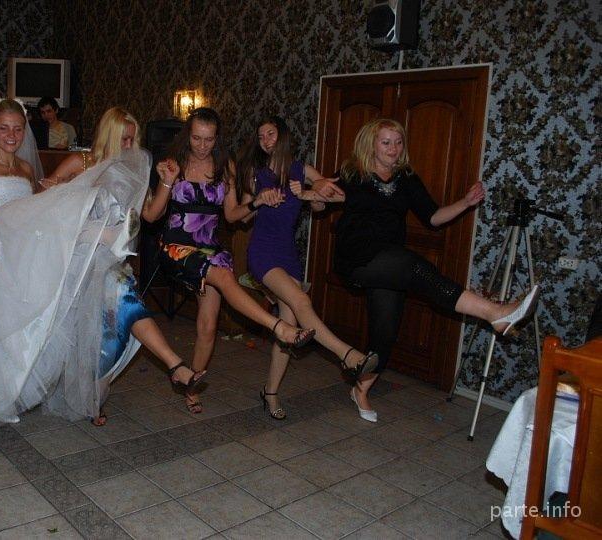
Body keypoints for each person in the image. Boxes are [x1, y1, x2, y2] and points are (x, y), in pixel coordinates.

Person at [0, 105, 203, 441]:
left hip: (60, 256)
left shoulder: (26, 168)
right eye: (4, 128)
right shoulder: (76, 163)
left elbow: (41, 211)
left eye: (18, 128)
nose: (13, 136)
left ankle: (92, 388)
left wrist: (165, 182)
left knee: (88, 324)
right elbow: (44, 207)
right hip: (20, 255)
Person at [327, 118, 539, 422]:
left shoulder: (406, 177)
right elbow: (322, 200)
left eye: (398, 142)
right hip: (357, 258)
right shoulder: (352, 172)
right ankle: (495, 313)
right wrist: (315, 193)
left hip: (389, 264)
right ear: (371, 144)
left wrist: (465, 203)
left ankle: (360, 389)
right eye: (386, 142)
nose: (393, 148)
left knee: (385, 331)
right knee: (416, 268)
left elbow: (433, 217)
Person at [144, 107, 316, 415]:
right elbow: (151, 216)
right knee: (224, 277)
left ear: (217, 138)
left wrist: (257, 201)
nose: (202, 145)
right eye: (196, 138)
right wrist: (167, 182)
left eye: (209, 139)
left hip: (210, 249)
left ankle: (191, 386)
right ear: (187, 135)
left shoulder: (226, 168)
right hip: (177, 248)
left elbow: (233, 216)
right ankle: (279, 327)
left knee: (208, 326)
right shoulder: (173, 163)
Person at [42, 106, 206, 426]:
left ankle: (95, 396)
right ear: (109, 135)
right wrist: (62, 195)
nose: (129, 145)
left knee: (114, 334)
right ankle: (175, 364)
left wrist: (167, 183)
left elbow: (150, 215)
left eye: (133, 139)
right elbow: (47, 199)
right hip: (84, 260)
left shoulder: (134, 168)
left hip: (116, 259)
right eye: (123, 139)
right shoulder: (82, 163)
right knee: (127, 304)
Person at [236, 115, 378, 420]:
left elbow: (336, 198)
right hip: (262, 252)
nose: (265, 141)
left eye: (270, 134)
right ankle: (347, 355)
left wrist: (308, 195)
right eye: (261, 137)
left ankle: (270, 392)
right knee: (301, 300)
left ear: (283, 136)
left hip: (288, 254)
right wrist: (259, 200)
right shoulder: (255, 172)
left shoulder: (301, 169)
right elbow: (239, 216)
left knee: (288, 324)